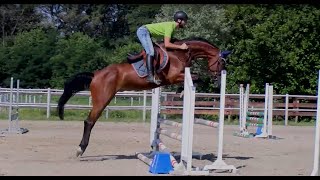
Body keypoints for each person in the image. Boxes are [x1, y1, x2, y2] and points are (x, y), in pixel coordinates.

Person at [136, 11, 189, 84]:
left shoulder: (173, 29)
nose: (185, 23)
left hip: (146, 32)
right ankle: (150, 76)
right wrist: (180, 47)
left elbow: (168, 43)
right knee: (151, 52)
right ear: (179, 20)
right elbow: (167, 44)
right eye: (185, 21)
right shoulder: (170, 27)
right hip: (143, 31)